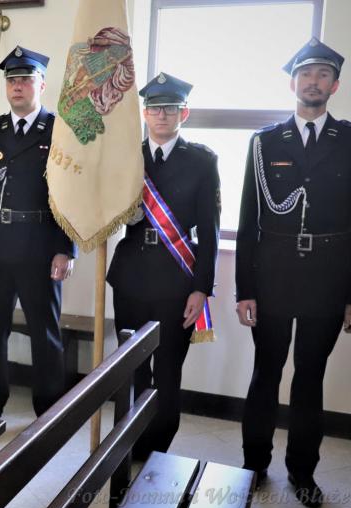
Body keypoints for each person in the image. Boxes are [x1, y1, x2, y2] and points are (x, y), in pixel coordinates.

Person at [236, 38, 351, 508]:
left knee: (310, 377)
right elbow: (250, 217)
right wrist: (244, 289)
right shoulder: (264, 142)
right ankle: (254, 464)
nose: (313, 82)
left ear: (335, 85)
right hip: (272, 275)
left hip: (328, 276)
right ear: (292, 83)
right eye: (305, 74)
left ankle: (302, 472)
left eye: (323, 75)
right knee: (265, 373)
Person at [107, 72, 220, 460]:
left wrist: (201, 288)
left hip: (177, 281)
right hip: (131, 277)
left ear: (183, 113)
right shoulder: (128, 158)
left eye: (170, 108)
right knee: (133, 367)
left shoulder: (202, 161)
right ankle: (134, 441)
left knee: (168, 370)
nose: (161, 115)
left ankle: (160, 445)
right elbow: (108, 211)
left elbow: (210, 232)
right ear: (144, 112)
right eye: (154, 108)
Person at [0, 46, 77, 419]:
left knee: (44, 332)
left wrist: (66, 248)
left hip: (40, 246)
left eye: (26, 79)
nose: (17, 86)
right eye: (12, 79)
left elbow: (69, 195)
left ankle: (49, 405)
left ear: (41, 85)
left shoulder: (58, 130)